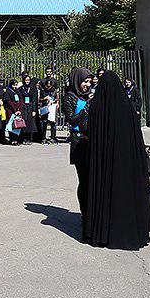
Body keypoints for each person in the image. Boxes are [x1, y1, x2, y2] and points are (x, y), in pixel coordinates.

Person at [82, 71, 150, 250]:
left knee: (104, 193)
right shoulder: (127, 107)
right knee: (125, 195)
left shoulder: (96, 107)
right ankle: (129, 231)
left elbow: (90, 135)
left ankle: (103, 231)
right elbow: (137, 136)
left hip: (103, 163)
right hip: (126, 163)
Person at [62, 68, 92, 224]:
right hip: (78, 141)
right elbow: (71, 120)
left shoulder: (90, 96)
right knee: (84, 180)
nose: (87, 85)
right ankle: (84, 212)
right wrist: (85, 109)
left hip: (91, 140)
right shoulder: (69, 98)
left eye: (89, 82)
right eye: (85, 81)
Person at [16, 74, 39, 144]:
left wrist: (34, 110)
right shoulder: (20, 89)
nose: (27, 81)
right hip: (23, 107)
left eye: (28, 80)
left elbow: (34, 100)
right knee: (23, 122)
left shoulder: (33, 89)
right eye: (26, 80)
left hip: (30, 107)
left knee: (30, 123)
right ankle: (22, 138)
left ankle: (28, 138)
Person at [39, 69, 59, 144]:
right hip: (44, 105)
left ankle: (53, 137)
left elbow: (57, 93)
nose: (49, 86)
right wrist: (44, 98)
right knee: (44, 122)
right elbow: (39, 97)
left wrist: (57, 102)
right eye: (47, 72)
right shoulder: (42, 82)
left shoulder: (55, 82)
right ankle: (43, 138)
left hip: (53, 105)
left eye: (50, 72)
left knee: (53, 122)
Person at [3, 78, 23, 144]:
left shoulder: (17, 91)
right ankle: (12, 139)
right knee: (11, 124)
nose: (15, 87)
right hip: (11, 110)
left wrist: (19, 109)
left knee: (17, 124)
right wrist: (14, 110)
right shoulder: (8, 91)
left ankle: (16, 139)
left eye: (16, 85)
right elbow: (9, 102)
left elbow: (21, 101)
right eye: (14, 85)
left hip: (17, 110)